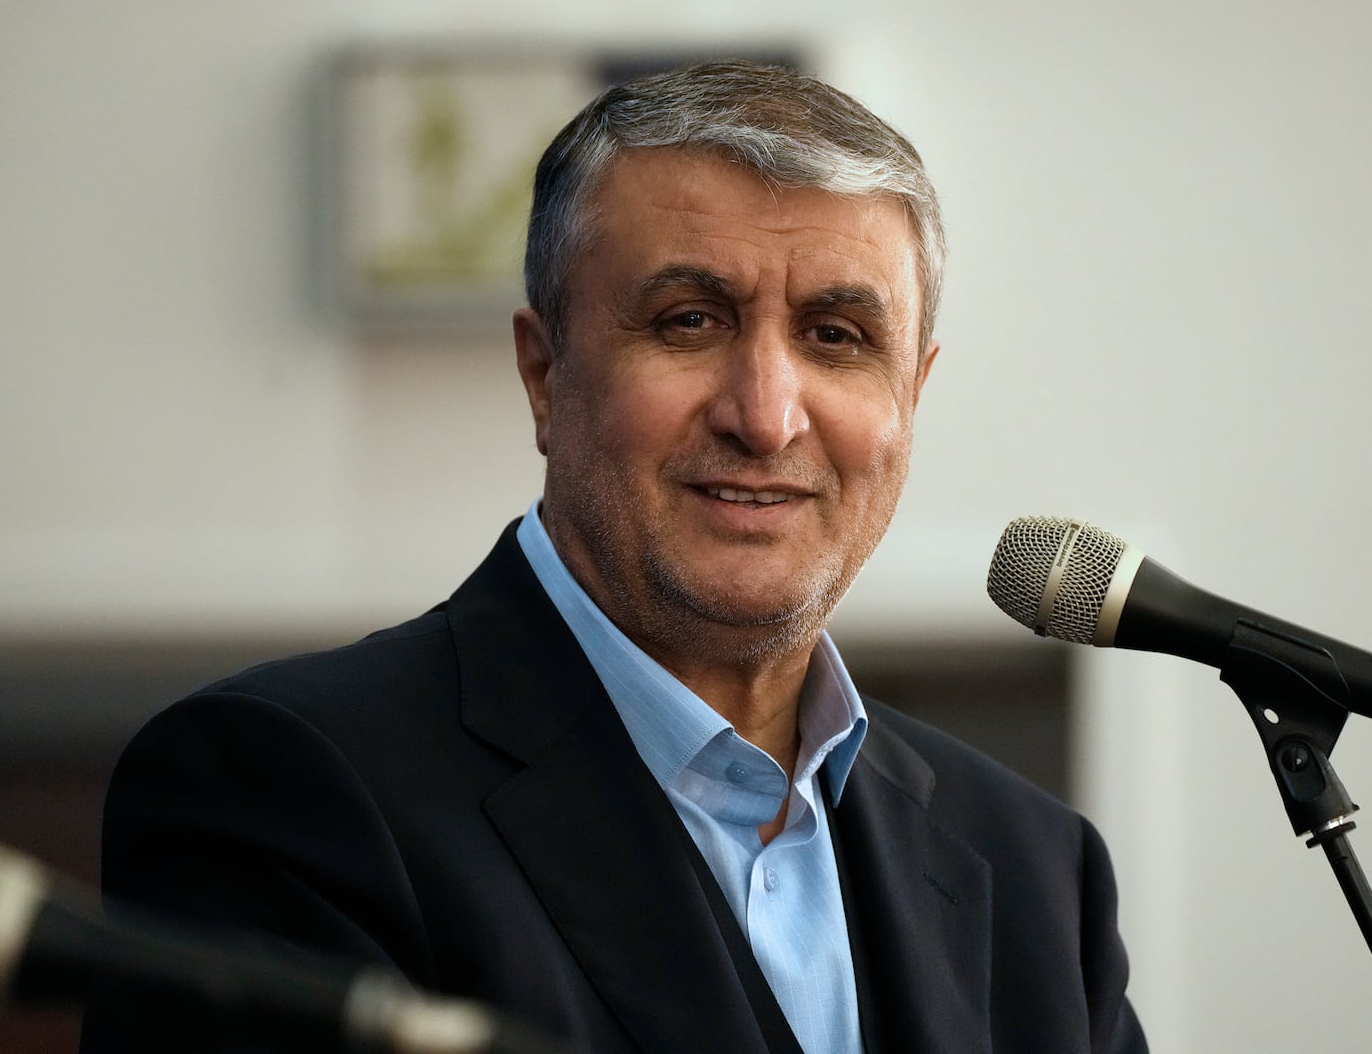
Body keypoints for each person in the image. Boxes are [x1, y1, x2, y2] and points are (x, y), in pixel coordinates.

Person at [81, 60, 1147, 1053]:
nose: (767, 416)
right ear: (545, 375)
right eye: (690, 320)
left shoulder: (1034, 869)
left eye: (835, 336)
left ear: (910, 397)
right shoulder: (281, 791)